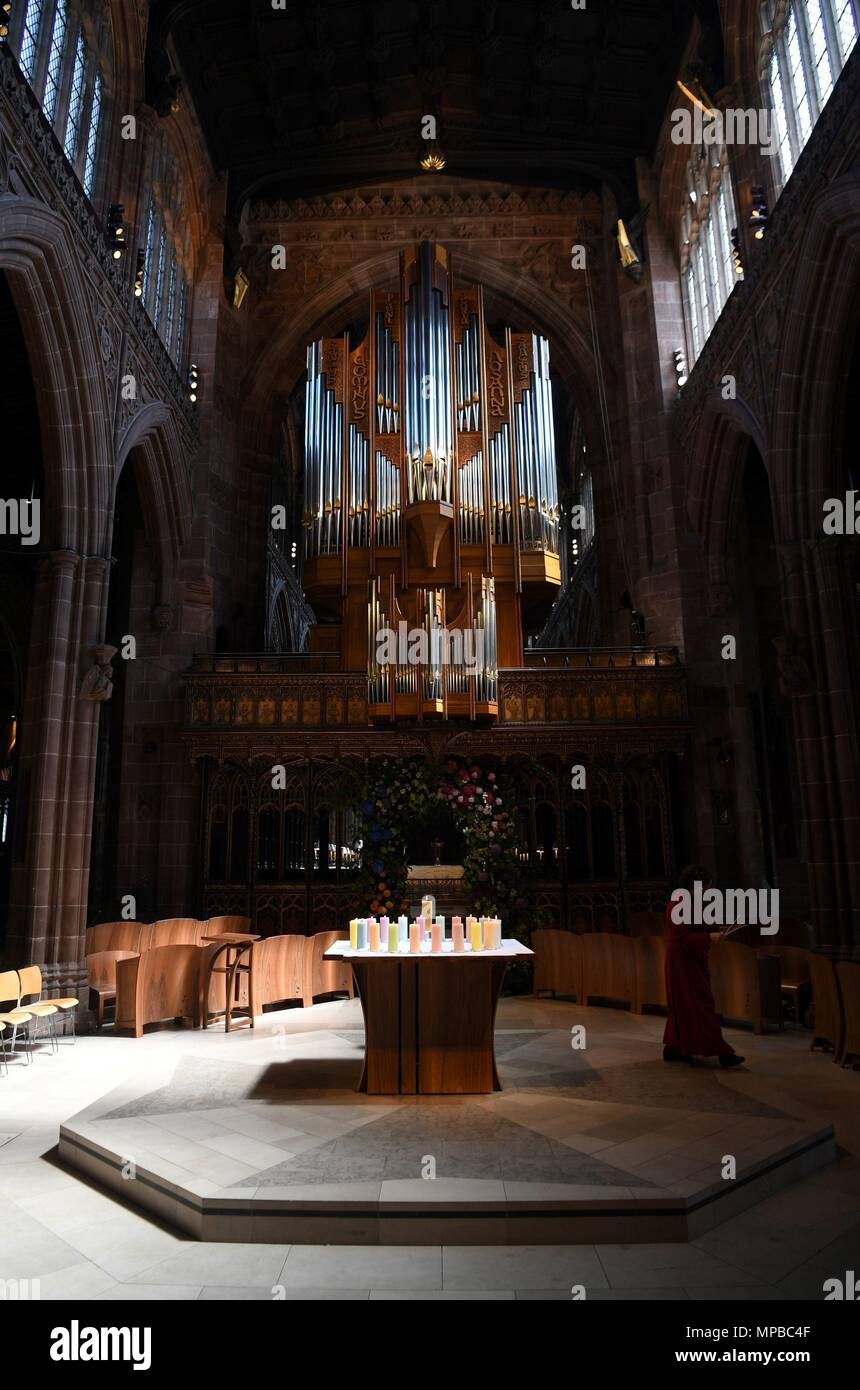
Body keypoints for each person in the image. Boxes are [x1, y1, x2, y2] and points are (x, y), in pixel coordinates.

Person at [663, 864, 745, 1068]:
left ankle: (675, 1048)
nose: (710, 890)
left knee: (686, 1007)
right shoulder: (679, 903)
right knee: (700, 1007)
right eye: (707, 886)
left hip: (691, 961)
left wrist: (716, 929)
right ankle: (723, 1053)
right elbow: (682, 937)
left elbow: (696, 925)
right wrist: (709, 937)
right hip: (683, 963)